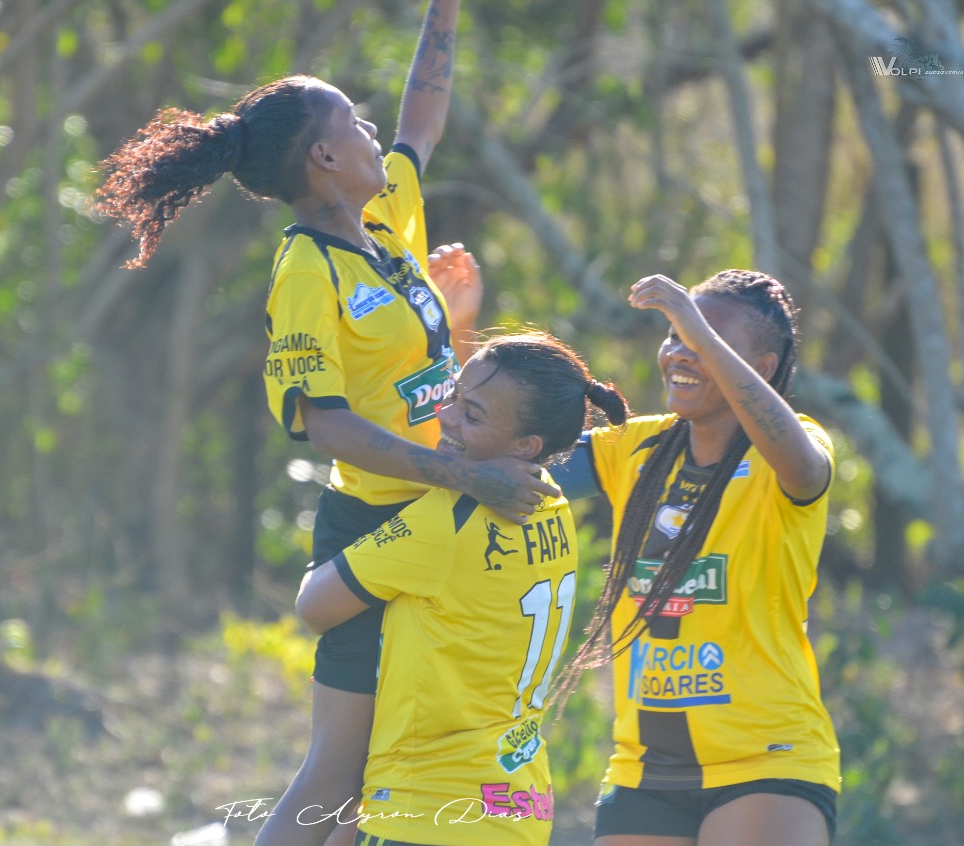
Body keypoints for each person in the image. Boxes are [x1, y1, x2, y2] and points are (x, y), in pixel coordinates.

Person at [94, 3, 558, 843]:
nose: (373, 127)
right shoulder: (306, 268)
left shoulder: (383, 221)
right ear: (325, 156)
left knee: (393, 768)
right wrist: (468, 476)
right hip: (375, 521)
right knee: (337, 778)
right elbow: (329, 425)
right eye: (354, 118)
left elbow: (425, 110)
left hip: (443, 519)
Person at [296, 332, 630, 846]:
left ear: (526, 446)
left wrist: (332, 547)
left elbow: (315, 606)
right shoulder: (555, 504)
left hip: (427, 811)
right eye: (451, 397)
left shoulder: (445, 518)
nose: (445, 417)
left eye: (470, 414)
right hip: (517, 811)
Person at [554, 270, 840, 846]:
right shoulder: (632, 449)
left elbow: (805, 468)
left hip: (767, 763)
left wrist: (697, 330)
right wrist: (449, 326)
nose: (680, 352)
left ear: (759, 368)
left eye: (704, 338)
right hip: (643, 771)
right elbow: (509, 453)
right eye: (674, 336)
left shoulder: (789, 450)